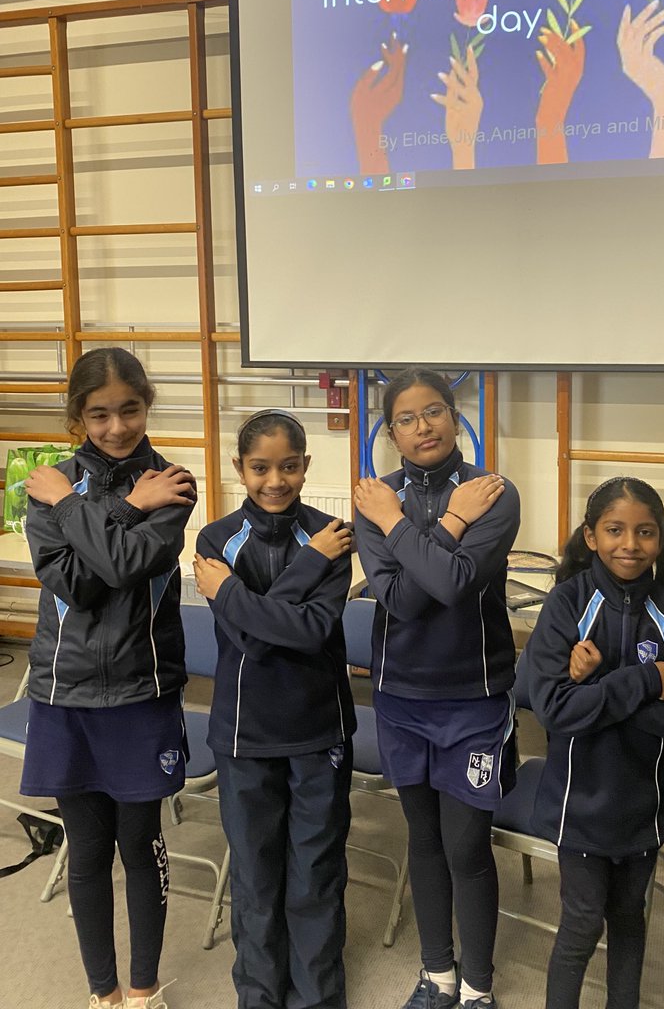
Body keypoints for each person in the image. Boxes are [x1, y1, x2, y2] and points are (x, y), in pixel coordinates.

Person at [22, 347, 197, 1009]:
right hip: (64, 692)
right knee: (86, 849)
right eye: (100, 414)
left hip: (139, 690)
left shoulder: (174, 482)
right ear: (78, 417)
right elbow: (72, 581)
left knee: (139, 844)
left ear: (146, 404)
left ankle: (145, 989)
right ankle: (105, 994)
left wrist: (91, 510)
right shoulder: (50, 485)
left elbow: (124, 567)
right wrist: (111, 506)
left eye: (130, 409)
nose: (118, 427)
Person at [353, 369, 521, 1009]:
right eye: (406, 417)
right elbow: (396, 597)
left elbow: (452, 587)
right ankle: (438, 974)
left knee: (466, 845)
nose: (422, 426)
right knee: (422, 842)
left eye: (434, 412)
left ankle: (478, 986)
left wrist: (412, 527)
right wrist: (442, 524)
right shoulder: (378, 496)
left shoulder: (491, 491)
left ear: (455, 417)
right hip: (401, 701)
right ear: (390, 432)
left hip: (473, 701)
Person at [526, 476, 664, 1009]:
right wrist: (644, 682)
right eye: (614, 530)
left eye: (645, 532)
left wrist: (594, 693)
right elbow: (553, 710)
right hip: (578, 805)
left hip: (643, 807)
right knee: (582, 924)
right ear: (591, 537)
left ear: (660, 538)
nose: (630, 544)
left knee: (630, 920)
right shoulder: (565, 605)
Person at [193, 409, 355, 1009]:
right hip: (244, 734)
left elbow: (312, 629)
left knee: (315, 872)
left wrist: (234, 594)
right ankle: (259, 995)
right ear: (240, 469)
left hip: (318, 730)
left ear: (306, 466)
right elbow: (253, 641)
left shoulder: (331, 534)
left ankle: (317, 997)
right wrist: (301, 570)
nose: (275, 481)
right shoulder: (216, 539)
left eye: (289, 466)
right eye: (260, 468)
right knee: (256, 878)